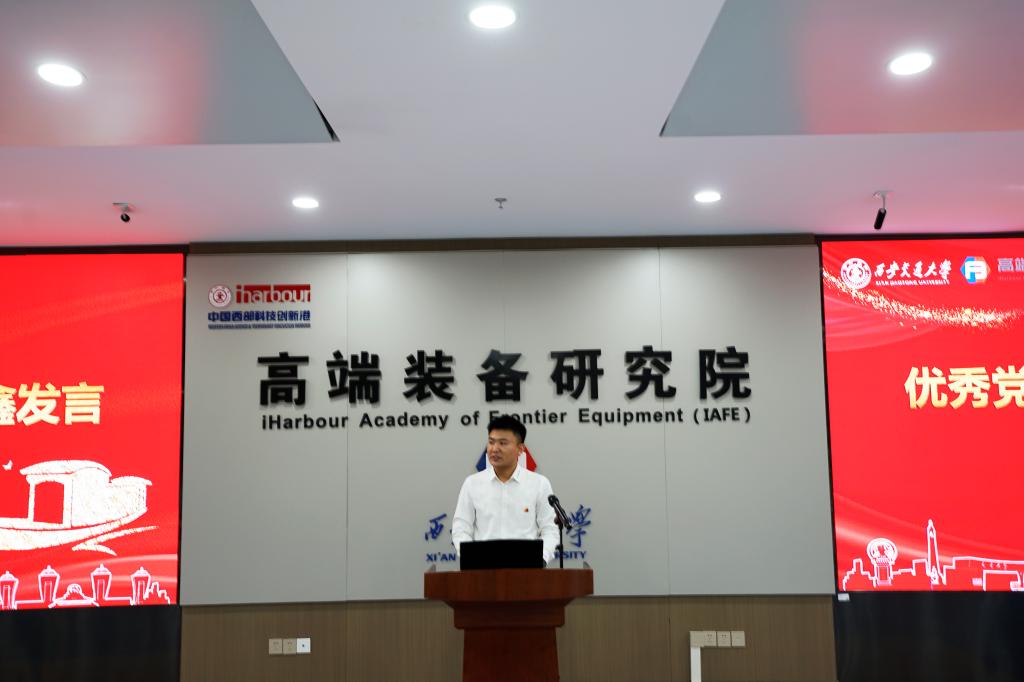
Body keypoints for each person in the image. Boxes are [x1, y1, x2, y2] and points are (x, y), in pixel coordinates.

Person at [452, 414, 559, 564]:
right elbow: (461, 528)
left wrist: (541, 558)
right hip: (482, 568)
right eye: (491, 442)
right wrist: (470, 557)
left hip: (528, 568)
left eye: (503, 443)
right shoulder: (472, 484)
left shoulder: (539, 484)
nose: (494, 449)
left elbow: (550, 529)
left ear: (520, 449)